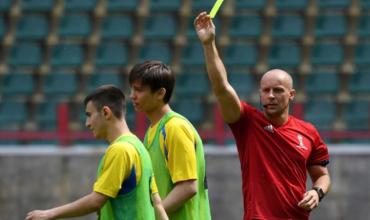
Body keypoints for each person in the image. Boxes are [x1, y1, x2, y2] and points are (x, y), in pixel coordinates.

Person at [194, 12, 331, 220]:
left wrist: (317, 192)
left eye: (278, 90)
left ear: (291, 95)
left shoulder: (308, 132)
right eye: (265, 91)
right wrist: (208, 44)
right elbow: (221, 87)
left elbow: (322, 175)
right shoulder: (247, 122)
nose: (271, 96)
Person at [26, 85, 168, 220]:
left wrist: (49, 214)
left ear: (106, 112)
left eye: (89, 115)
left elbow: (96, 201)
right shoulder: (139, 146)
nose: (87, 123)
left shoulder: (120, 150)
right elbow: (157, 204)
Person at [129, 61, 212, 220]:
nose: (132, 95)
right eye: (132, 89)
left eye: (138, 90)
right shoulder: (153, 130)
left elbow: (188, 187)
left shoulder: (175, 128)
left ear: (160, 93)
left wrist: (151, 215)